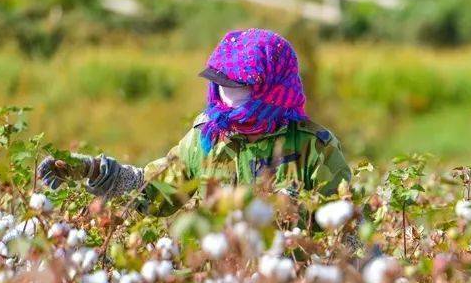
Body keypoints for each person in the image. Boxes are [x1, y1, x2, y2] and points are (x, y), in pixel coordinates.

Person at [38, 29, 350, 216]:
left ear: (272, 85)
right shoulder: (206, 139)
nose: (228, 94)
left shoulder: (314, 147)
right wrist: (94, 171)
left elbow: (347, 226)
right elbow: (154, 192)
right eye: (222, 83)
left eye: (240, 85)